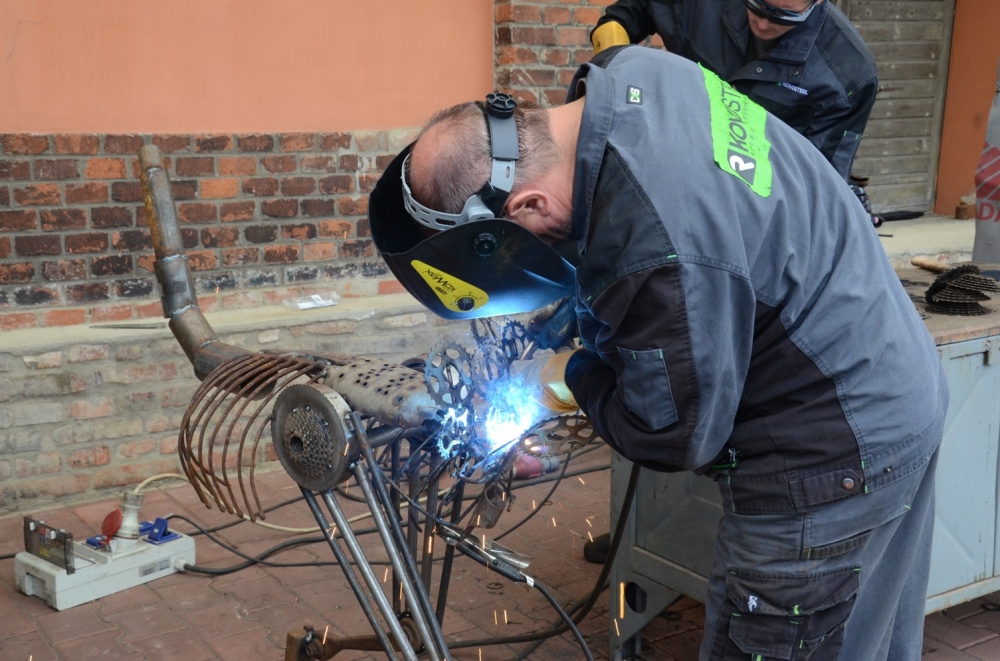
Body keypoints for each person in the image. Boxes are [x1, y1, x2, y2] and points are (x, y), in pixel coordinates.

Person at [369, 46, 947, 660]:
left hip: (830, 450)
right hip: (893, 375)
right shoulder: (633, 73)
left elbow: (674, 435)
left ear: (528, 205)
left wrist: (573, 375)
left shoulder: (654, 251)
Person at [591, 0, 878, 183]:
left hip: (751, 201)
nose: (762, 23)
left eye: (784, 15)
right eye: (757, 4)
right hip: (669, 162)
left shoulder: (847, 76)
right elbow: (631, 12)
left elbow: (821, 184)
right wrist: (615, 65)